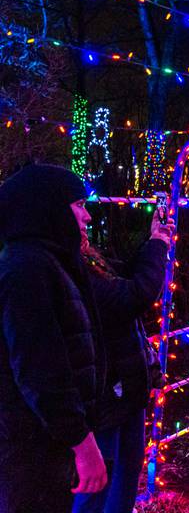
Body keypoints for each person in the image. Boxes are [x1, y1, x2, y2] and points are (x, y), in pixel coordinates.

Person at [0, 164, 108, 512]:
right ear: (47, 206)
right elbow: (40, 367)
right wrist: (80, 440)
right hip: (31, 446)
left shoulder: (50, 263)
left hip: (45, 441)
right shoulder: (27, 269)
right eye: (78, 205)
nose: (87, 217)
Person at [72, 211, 175, 513]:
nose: (88, 216)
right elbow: (134, 294)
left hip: (125, 389)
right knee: (97, 490)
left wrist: (154, 241)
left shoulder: (87, 258)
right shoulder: (66, 266)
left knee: (124, 477)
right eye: (78, 206)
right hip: (104, 396)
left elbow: (126, 276)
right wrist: (156, 245)